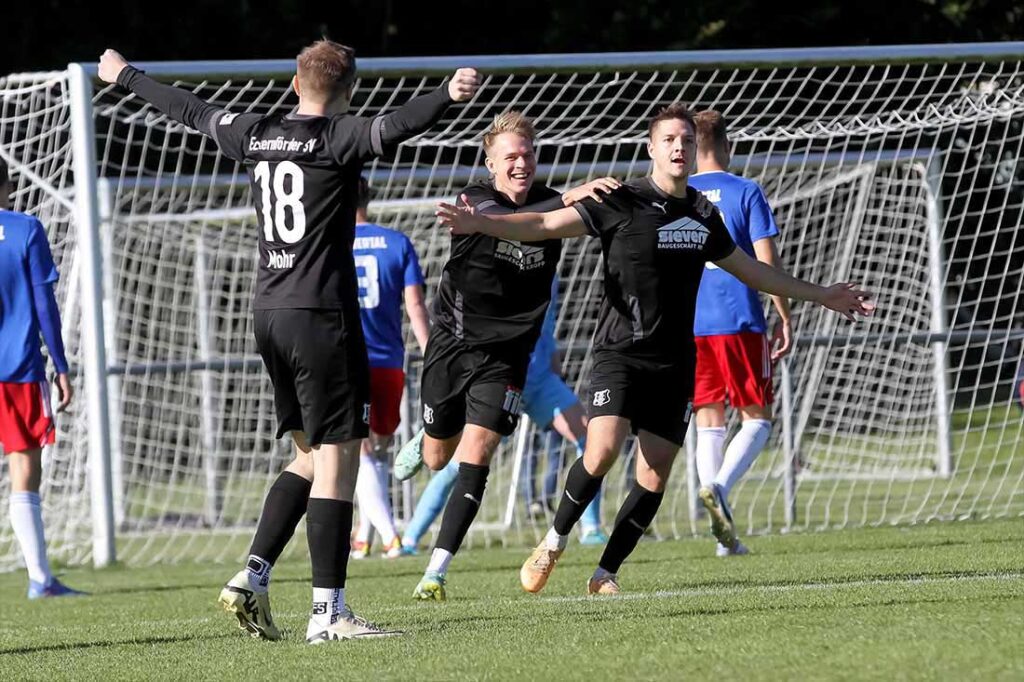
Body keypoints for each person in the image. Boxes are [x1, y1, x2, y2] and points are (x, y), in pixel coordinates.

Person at [98, 41, 479, 642]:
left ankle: (252, 574)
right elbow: (400, 123)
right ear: (349, 91)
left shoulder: (256, 132)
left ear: (294, 83)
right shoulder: (340, 137)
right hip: (322, 317)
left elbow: (191, 110)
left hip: (269, 312)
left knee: (307, 454)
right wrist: (448, 95)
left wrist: (127, 77)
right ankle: (329, 613)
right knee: (342, 455)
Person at [436, 103, 875, 596]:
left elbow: (754, 271)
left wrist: (823, 295)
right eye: (668, 140)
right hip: (618, 354)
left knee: (655, 471)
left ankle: (605, 573)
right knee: (600, 451)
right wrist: (485, 224)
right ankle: (554, 541)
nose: (678, 149)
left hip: (674, 362)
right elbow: (540, 227)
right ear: (651, 148)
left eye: (686, 141)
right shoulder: (620, 199)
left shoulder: (703, 215)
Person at [392, 111, 619, 601]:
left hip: (509, 355)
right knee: (438, 457)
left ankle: (435, 572)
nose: (521, 163)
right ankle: (427, 434)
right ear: (491, 163)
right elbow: (515, 223)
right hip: (453, 347)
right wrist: (487, 221)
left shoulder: (553, 204)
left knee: (479, 454)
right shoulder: (475, 200)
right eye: (511, 156)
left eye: (528, 154)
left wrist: (603, 191)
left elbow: (559, 219)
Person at [398, 278, 607, 556]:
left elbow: (547, 318)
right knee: (459, 463)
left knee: (592, 441)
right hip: (500, 375)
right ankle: (411, 539)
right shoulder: (504, 261)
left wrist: (553, 354)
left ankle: (591, 527)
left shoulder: (549, 265)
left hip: (540, 379)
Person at [689, 110, 792, 557]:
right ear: (726, 146)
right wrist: (784, 314)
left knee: (709, 420)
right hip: (739, 319)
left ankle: (722, 540)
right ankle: (718, 489)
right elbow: (766, 265)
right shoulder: (745, 191)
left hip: (691, 324)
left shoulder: (676, 193)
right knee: (758, 419)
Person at [0, 158, 81, 599]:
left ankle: (42, 579)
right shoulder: (25, 229)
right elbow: (45, 306)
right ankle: (40, 578)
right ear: (7, 186)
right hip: (16, 371)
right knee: (24, 471)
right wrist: (62, 367)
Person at [349, 176, 430, 560]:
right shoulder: (397, 242)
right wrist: (432, 351)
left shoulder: (328, 244)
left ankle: (388, 536)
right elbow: (415, 306)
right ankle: (364, 538)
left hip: (348, 359)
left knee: (363, 451)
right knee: (375, 448)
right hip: (389, 359)